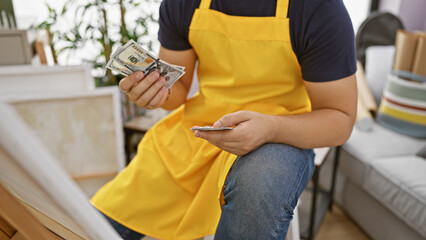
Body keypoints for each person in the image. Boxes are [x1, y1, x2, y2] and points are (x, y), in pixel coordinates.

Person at [91, 0, 357, 239]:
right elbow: (178, 90)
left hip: (281, 132)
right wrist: (154, 93)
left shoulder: (319, 9)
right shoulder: (183, 4)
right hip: (200, 131)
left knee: (259, 189)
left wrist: (270, 128)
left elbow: (340, 119)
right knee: (88, 227)